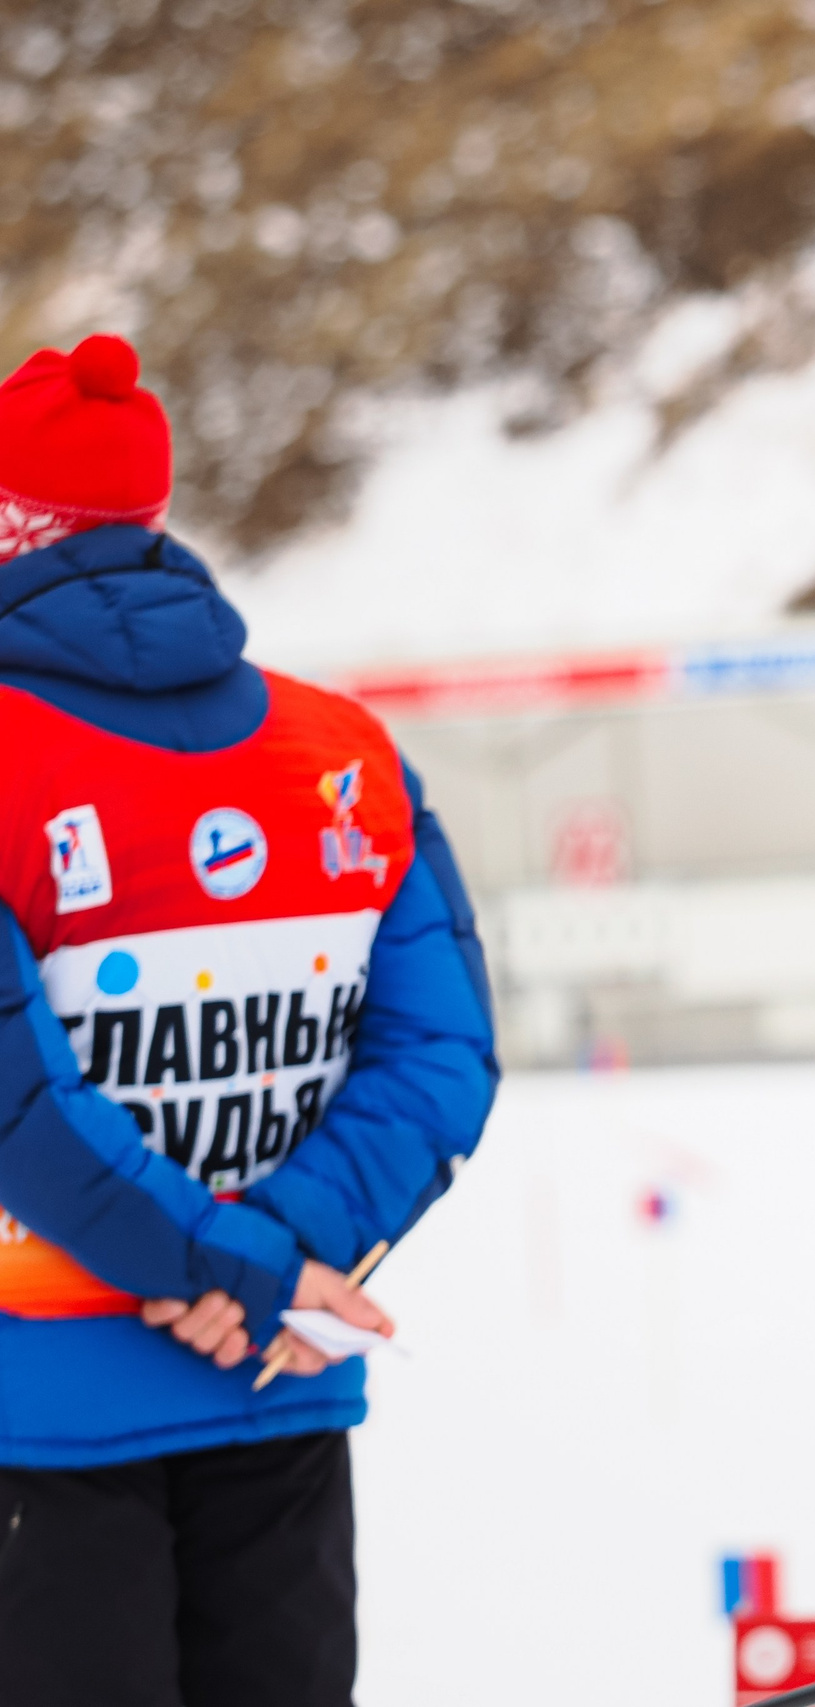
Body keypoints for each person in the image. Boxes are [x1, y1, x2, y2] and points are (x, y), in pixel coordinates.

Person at [0, 334, 501, 1707]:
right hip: (278, 1379)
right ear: (154, 523)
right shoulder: (344, 750)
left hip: (38, 1410)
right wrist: (277, 1256)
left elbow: (20, 1113)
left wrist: (224, 1259)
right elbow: (443, 1055)